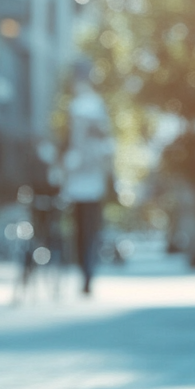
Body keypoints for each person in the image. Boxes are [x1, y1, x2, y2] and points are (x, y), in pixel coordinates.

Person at [59, 80, 115, 295]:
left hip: (92, 193)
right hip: (78, 193)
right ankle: (85, 273)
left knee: (90, 234)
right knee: (81, 234)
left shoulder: (100, 146)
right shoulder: (75, 149)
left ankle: (88, 274)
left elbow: (106, 164)